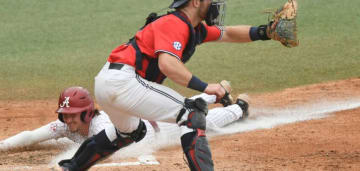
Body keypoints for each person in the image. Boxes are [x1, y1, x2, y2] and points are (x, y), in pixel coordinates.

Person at [58, 0, 276, 171]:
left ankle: (71, 167)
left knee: (130, 132)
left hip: (108, 82)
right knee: (191, 115)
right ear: (195, 1)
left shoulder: (191, 27)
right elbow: (168, 65)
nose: (214, 4)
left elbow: (226, 33)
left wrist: (265, 32)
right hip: (125, 82)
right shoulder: (174, 24)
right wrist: (205, 87)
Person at [0, 86, 250, 153]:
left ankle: (240, 107)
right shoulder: (68, 124)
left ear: (87, 112)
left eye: (72, 114)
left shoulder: (103, 127)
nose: (67, 119)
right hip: (142, 119)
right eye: (64, 114)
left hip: (159, 131)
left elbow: (101, 150)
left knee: (204, 121)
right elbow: (33, 136)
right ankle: (212, 93)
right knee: (181, 103)